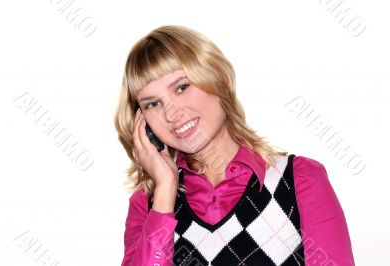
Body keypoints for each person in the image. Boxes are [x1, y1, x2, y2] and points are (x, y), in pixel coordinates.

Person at [114, 25, 355, 266]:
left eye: (182, 87)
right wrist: (165, 191)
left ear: (217, 79)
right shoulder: (148, 205)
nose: (171, 113)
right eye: (153, 104)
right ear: (142, 122)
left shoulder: (299, 180)